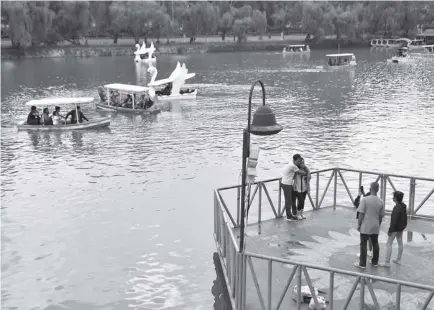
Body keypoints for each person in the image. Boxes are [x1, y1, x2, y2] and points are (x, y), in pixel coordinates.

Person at [354, 182, 385, 269]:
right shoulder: (381, 201)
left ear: (370, 189)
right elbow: (381, 216)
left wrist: (359, 224)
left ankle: (362, 264)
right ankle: (375, 262)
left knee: (363, 244)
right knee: (375, 243)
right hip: (375, 225)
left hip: (365, 225)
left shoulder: (365, 200)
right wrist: (378, 224)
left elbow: (361, 214)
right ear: (378, 189)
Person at [380, 191, 407, 267]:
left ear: (395, 198)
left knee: (388, 243)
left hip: (395, 229)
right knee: (400, 242)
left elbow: (394, 221)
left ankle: (387, 262)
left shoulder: (396, 207)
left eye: (393, 196)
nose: (392, 198)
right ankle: (398, 259)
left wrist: (390, 231)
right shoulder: (403, 206)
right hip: (400, 228)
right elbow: (405, 219)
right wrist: (403, 227)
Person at [281, 154, 309, 222]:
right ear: (294, 160)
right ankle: (289, 216)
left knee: (291, 200)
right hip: (286, 184)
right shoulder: (292, 166)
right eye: (298, 161)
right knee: (288, 201)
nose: (299, 163)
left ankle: (293, 214)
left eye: (300, 161)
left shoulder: (291, 163)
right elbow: (302, 173)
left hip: (288, 183)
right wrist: (307, 170)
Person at [354, 185, 373, 257]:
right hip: (372, 222)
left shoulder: (364, 202)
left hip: (365, 223)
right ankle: (370, 252)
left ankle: (363, 255)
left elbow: (356, 204)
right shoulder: (375, 201)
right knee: (371, 238)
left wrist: (359, 195)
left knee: (363, 240)